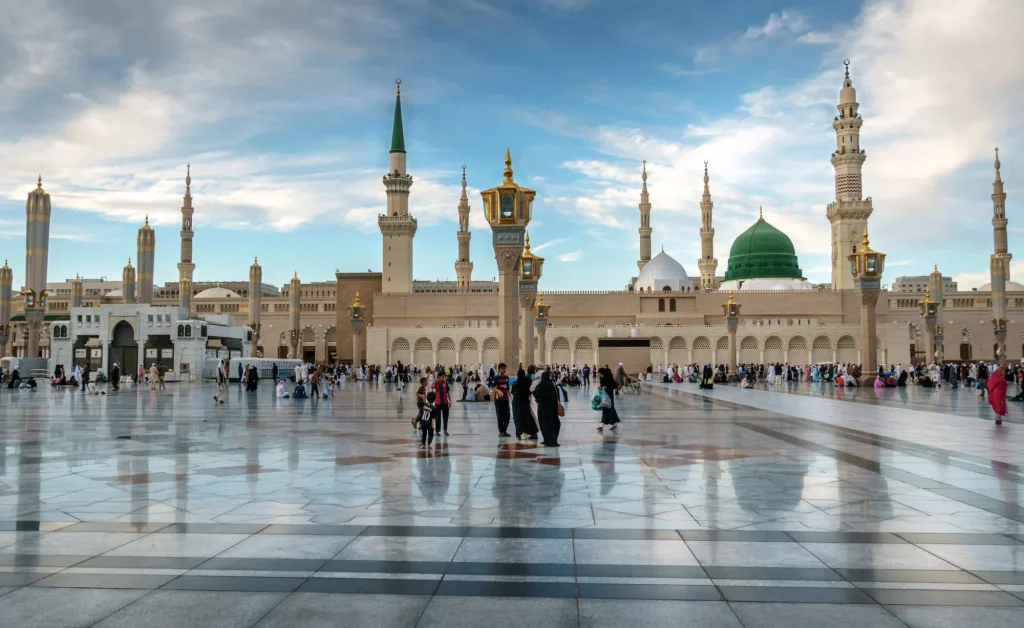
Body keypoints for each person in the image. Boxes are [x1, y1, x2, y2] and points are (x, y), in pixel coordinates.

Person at [533, 370, 561, 447]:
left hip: (543, 409)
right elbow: (557, 395)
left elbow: (535, 393)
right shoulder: (552, 385)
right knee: (553, 424)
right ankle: (553, 440)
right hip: (552, 409)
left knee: (544, 424)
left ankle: (547, 440)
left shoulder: (540, 386)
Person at [511, 368, 538, 440]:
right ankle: (533, 432)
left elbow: (513, 392)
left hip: (517, 403)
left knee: (518, 419)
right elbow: (531, 391)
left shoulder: (515, 383)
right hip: (525, 402)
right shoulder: (528, 382)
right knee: (527, 418)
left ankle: (520, 433)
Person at [597, 367, 620, 432]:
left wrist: (607, 387)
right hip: (604, 396)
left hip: (609, 395)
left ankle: (601, 425)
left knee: (609, 408)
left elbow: (614, 386)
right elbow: (602, 386)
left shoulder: (609, 379)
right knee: (609, 408)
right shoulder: (602, 379)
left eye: (601, 374)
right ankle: (613, 424)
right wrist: (600, 387)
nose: (600, 375)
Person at [492, 363, 512, 437]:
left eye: (505, 369)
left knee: (507, 415)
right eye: (502, 369)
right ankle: (501, 431)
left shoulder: (507, 378)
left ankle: (505, 430)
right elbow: (493, 388)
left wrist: (511, 397)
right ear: (499, 369)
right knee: (500, 415)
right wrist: (498, 391)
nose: (504, 370)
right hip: (498, 399)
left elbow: (507, 388)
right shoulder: (496, 378)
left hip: (505, 398)